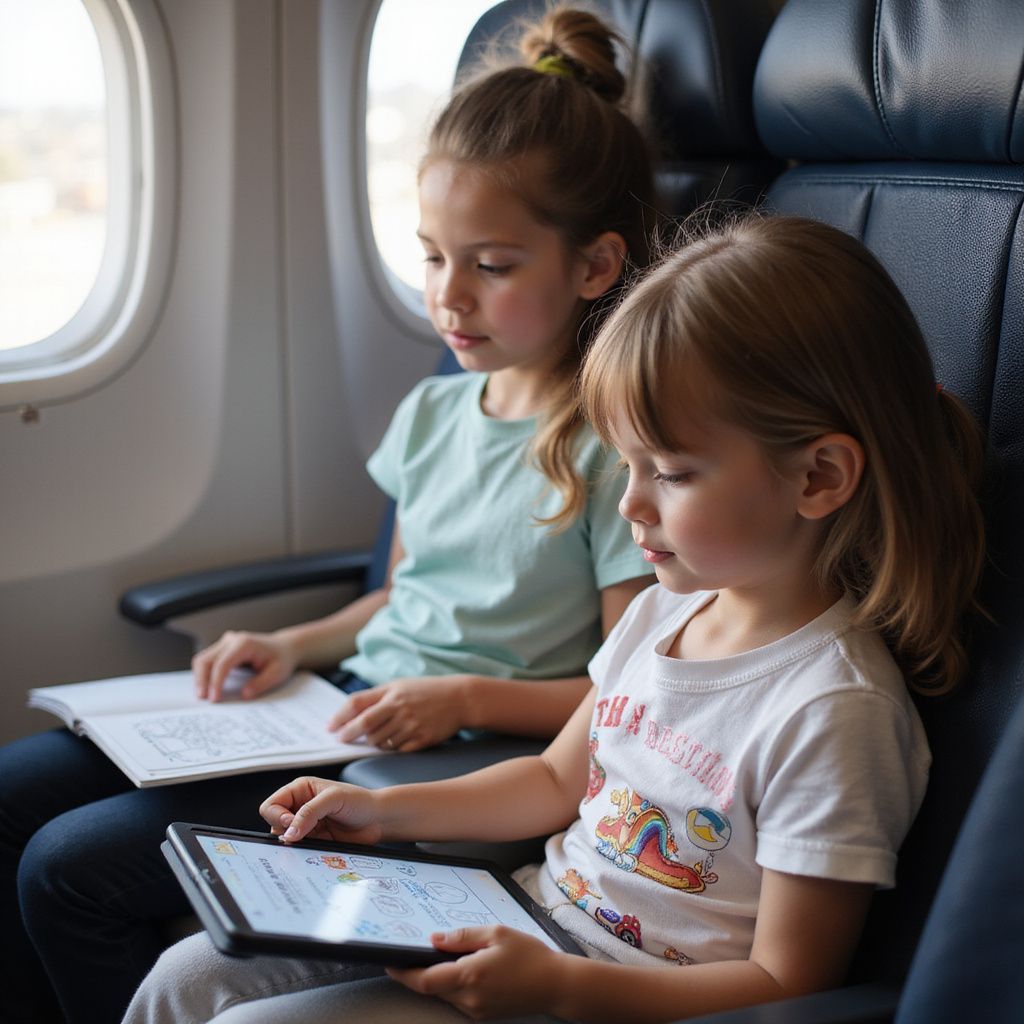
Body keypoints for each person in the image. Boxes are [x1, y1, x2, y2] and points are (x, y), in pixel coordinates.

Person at [121, 213, 986, 1024]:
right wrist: (382, 814)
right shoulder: (660, 615)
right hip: (531, 923)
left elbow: (787, 982)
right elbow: (551, 783)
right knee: (186, 979)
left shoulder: (834, 711)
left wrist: (564, 986)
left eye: (673, 474)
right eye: (626, 465)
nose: (631, 505)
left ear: (818, 479)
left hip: (613, 997)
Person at [0, 9, 658, 1023]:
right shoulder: (437, 407)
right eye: (432, 258)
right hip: (347, 700)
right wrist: (290, 638)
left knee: (68, 869)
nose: (451, 298)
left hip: (457, 759)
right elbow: (401, 591)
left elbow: (617, 696)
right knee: (12, 790)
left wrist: (463, 694)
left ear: (595, 267)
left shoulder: (615, 451)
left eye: (490, 265)